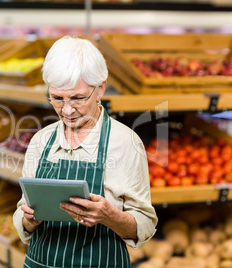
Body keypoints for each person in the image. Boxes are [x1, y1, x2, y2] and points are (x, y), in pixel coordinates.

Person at [13, 36, 158, 268]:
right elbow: (22, 213)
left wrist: (110, 217)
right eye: (57, 98)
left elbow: (145, 225)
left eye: (78, 98)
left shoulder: (125, 143)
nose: (67, 110)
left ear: (100, 89)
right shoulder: (41, 141)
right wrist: (28, 219)